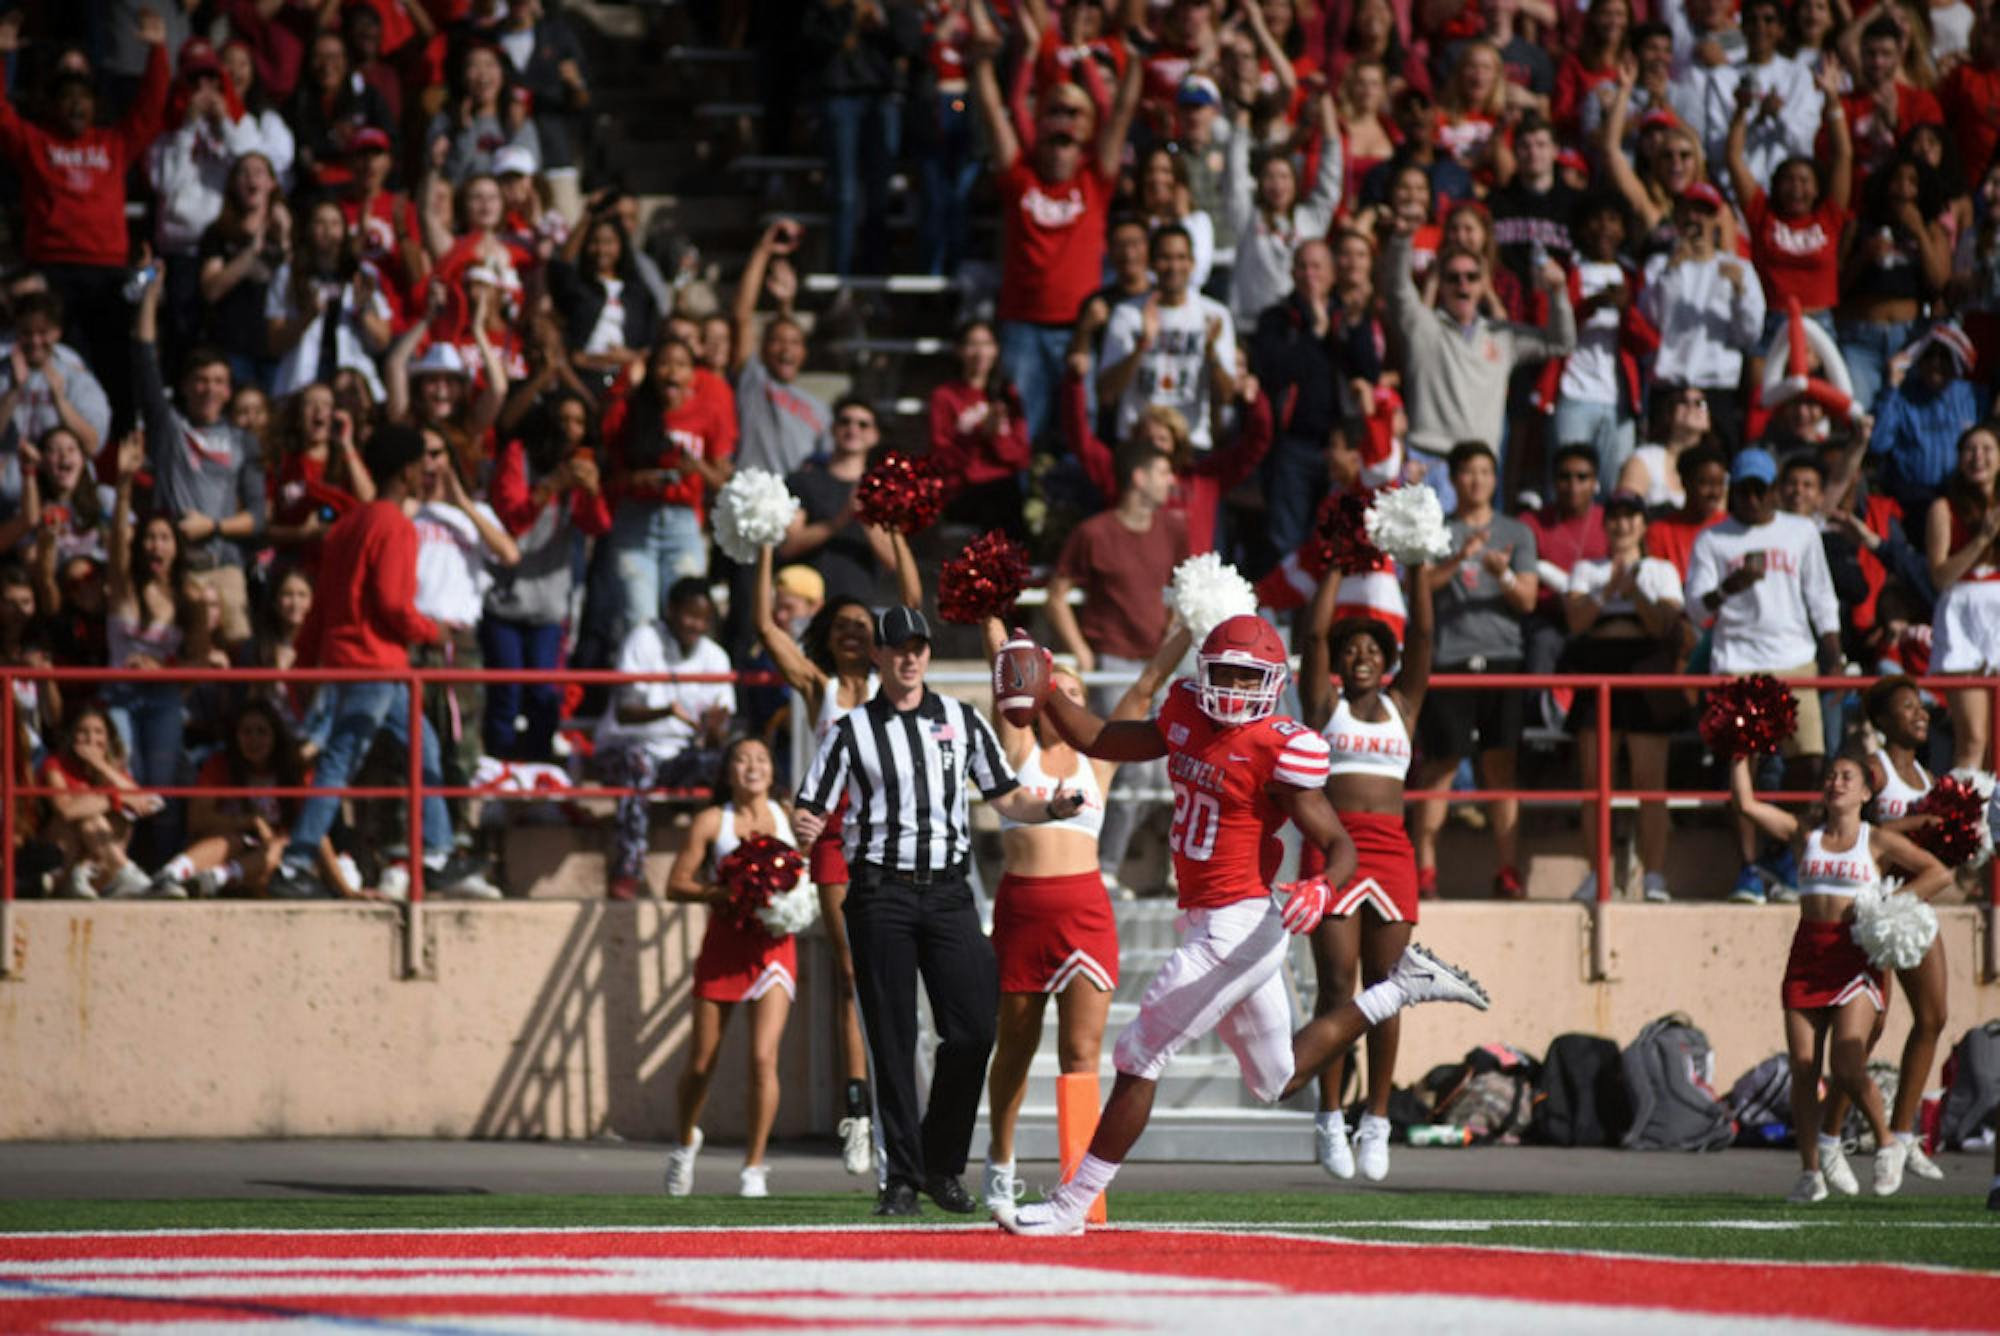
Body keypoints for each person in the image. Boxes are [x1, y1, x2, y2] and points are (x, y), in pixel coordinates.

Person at [997, 614, 1491, 1236]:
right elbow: (1100, 737)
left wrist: (1322, 883)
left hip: (1241, 924)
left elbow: (1339, 842)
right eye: (1223, 672)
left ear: (1270, 682)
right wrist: (1044, 695)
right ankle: (1402, 985)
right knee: (1276, 1079)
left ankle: (1073, 1205)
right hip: (1207, 916)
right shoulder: (1185, 714)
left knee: (1139, 1054)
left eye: (1245, 675)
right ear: (1203, 673)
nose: (1231, 685)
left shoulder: (1280, 744)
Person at [791, 605, 1090, 1217]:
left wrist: (1053, 809)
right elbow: (809, 809)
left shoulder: (961, 718)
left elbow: (1006, 795)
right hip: (880, 892)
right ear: (876, 655)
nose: (910, 656)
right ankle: (900, 1177)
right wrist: (802, 827)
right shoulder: (850, 731)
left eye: (919, 646)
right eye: (897, 646)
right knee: (893, 1039)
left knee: (976, 1027)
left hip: (949, 891)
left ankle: (938, 1159)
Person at [978, 616, 1190, 1210]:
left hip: (1086, 915)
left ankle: (1079, 1184)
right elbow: (1002, 660)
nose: (1067, 701)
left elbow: (1147, 684)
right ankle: (1001, 1160)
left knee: (1081, 1054)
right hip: (1023, 910)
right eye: (1056, 690)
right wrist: (988, 608)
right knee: (1014, 1047)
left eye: (1076, 694)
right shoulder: (1017, 746)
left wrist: (1185, 627)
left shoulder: (1099, 760)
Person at [749, 534, 920, 1175]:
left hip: (892, 830)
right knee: (852, 974)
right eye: (841, 627)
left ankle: (893, 1105)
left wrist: (898, 537)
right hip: (835, 834)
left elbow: (911, 601)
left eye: (861, 626)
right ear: (828, 635)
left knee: (893, 973)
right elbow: (766, 625)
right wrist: (765, 541)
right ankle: (859, 1111)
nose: (852, 634)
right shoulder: (817, 687)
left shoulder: (888, 682)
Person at [268, 425, 494, 901]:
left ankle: (435, 854)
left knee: (423, 748)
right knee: (341, 760)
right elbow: (394, 604)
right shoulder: (394, 524)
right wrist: (436, 631)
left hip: (353, 661)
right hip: (377, 663)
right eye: (420, 464)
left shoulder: (347, 525)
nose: (424, 472)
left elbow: (324, 606)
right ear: (408, 469)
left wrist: (306, 666)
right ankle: (295, 862)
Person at [1728, 745, 1949, 1203]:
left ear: (1867, 792)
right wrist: (1738, 751)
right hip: (1808, 955)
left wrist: (1889, 905)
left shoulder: (1876, 840)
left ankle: (1887, 1143)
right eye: (1831, 776)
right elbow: (1747, 805)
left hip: (1855, 960)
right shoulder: (1803, 832)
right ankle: (1811, 1171)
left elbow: (1937, 873)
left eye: (1848, 777)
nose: (1837, 782)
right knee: (1804, 1068)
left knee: (1847, 1062)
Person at [1295, 556, 1433, 1181]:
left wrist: (1422, 564)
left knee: (1387, 987)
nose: (1359, 657)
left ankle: (1375, 1118)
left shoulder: (1405, 706)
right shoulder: (1325, 705)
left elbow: (1427, 637)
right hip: (1335, 849)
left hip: (1393, 852)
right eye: (1350, 650)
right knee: (1335, 985)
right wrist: (1333, 564)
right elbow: (1314, 635)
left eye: (1371, 649)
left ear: (1386, 659)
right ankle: (1328, 1117)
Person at [967, 0, 1141, 445]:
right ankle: (1024, 512)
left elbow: (1118, 115)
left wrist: (1134, 60)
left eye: (1071, 131)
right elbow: (994, 113)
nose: (1063, 139)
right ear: (1040, 129)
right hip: (1022, 325)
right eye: (1055, 127)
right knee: (1020, 431)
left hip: (1077, 329)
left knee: (1077, 435)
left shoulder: (1094, 179)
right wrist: (983, 66)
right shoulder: (1019, 176)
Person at [1687, 447, 1846, 903]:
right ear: (1733, 492)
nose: (1753, 498)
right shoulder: (1713, 539)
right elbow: (1696, 609)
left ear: (1774, 490)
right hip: (1737, 663)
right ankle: (1749, 869)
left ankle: (1786, 855)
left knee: (1810, 762)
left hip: (1796, 657)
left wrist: (1832, 654)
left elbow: (1821, 596)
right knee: (1741, 769)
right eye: (1745, 490)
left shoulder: (1800, 532)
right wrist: (1728, 588)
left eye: (1761, 489)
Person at [1812, 675, 1950, 1188]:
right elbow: (1859, 831)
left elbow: (1934, 849)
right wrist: (1924, 825)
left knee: (1933, 1017)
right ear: (1883, 720)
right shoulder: (1875, 769)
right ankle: (1829, 1140)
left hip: (1910, 911)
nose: (1921, 715)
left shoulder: (1928, 776)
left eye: (1922, 707)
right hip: (1867, 911)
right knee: (1863, 1035)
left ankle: (1905, 1134)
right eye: (1908, 708)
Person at [662, 737, 805, 1200]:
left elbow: (813, 865)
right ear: (728, 771)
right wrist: (721, 894)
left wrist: (795, 901)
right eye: (742, 759)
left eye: (762, 758)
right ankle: (685, 1142)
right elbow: (676, 885)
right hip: (724, 944)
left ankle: (754, 1166)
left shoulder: (788, 814)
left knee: (764, 1057)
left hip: (774, 946)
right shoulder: (712, 821)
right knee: (702, 1062)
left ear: (771, 769)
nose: (752, 766)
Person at [1045, 444, 1189, 896]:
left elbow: (1182, 590)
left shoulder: (1174, 529)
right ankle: (1104, 866)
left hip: (1159, 667)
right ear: (1138, 477)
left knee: (1171, 769)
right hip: (1113, 664)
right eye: (1164, 471)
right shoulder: (1094, 532)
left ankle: (1170, 871)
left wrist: (1173, 636)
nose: (1172, 481)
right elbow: (1056, 594)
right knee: (1127, 768)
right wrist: (1081, 653)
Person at [1412, 441, 1539, 900]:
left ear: (1495, 477)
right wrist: (1459, 557)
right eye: (1468, 472)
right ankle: (1425, 872)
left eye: (1485, 471)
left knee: (1500, 767)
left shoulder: (1516, 532)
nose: (1477, 480)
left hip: (1502, 659)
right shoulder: (1438, 531)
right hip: (1449, 663)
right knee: (1441, 766)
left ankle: (1508, 871)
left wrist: (1501, 574)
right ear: (1456, 479)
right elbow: (1419, 589)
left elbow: (1527, 598)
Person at [1382, 214, 1575, 501]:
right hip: (1427, 464)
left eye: (1471, 277)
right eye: (1453, 278)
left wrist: (1559, 292)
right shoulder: (1422, 326)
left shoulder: (1502, 335)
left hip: (1478, 469)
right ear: (1441, 283)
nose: (1463, 285)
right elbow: (1397, 288)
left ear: (1484, 284)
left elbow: (1560, 343)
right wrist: (1401, 239)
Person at [1561, 491, 1689, 902]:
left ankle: (1653, 875)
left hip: (1646, 667)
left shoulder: (1661, 570)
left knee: (1650, 782)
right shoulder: (1586, 569)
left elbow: (1665, 626)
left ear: (1643, 524)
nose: (1622, 525)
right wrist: (1608, 588)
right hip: (1597, 663)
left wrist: (1633, 593)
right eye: (1614, 517)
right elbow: (1577, 622)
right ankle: (1596, 874)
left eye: (1630, 517)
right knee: (1594, 781)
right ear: (1605, 524)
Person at [133, 269, 266, 649]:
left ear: (229, 389)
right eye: (201, 380)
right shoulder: (169, 428)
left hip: (226, 566)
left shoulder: (244, 441)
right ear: (187, 386)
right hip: (176, 571)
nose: (209, 389)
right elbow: (144, 363)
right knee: (180, 655)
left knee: (238, 655)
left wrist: (213, 526)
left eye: (218, 381)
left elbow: (258, 517)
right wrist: (150, 296)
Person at [594, 578, 736, 901]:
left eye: (703, 618)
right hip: (624, 747)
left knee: (730, 765)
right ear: (670, 611)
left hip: (678, 755)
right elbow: (623, 713)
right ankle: (628, 868)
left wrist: (715, 731)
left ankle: (719, 867)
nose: (696, 624)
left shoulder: (716, 656)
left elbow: (719, 732)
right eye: (689, 615)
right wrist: (667, 712)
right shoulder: (643, 639)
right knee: (638, 760)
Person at [1640, 183, 1766, 447]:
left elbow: (1750, 334)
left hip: (1716, 388)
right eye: (1689, 212)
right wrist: (1670, 273)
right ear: (1678, 217)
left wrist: (1740, 292)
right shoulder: (1658, 266)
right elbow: (1650, 323)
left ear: (1716, 220)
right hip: (1669, 387)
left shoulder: (1739, 268)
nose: (1696, 219)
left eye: (1704, 213)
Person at [1098, 226, 1236, 452]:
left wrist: (1211, 352)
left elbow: (1228, 395)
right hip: (1139, 440)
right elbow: (1107, 392)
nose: (1173, 266)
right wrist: (1141, 345)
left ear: (1192, 263)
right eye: (1165, 258)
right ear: (1151, 263)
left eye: (1181, 257)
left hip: (1191, 441)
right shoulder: (1128, 314)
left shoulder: (1214, 315)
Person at [1925, 423, 2000, 769]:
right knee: (1973, 739)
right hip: (1963, 616)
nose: (1978, 457)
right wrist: (1982, 540)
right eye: (1970, 449)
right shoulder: (1944, 508)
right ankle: (1962, 820)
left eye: (1986, 448)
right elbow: (1940, 576)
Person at [41, 705, 160, 901]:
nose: (91, 739)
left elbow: (143, 802)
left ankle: (113, 876)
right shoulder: (55, 764)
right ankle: (126, 873)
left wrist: (101, 766)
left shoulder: (113, 768)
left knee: (114, 818)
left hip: (98, 865)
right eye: (83, 732)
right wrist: (114, 797)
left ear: (109, 738)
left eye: (98, 732)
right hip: (65, 854)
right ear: (72, 736)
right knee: (90, 820)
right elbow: (66, 810)